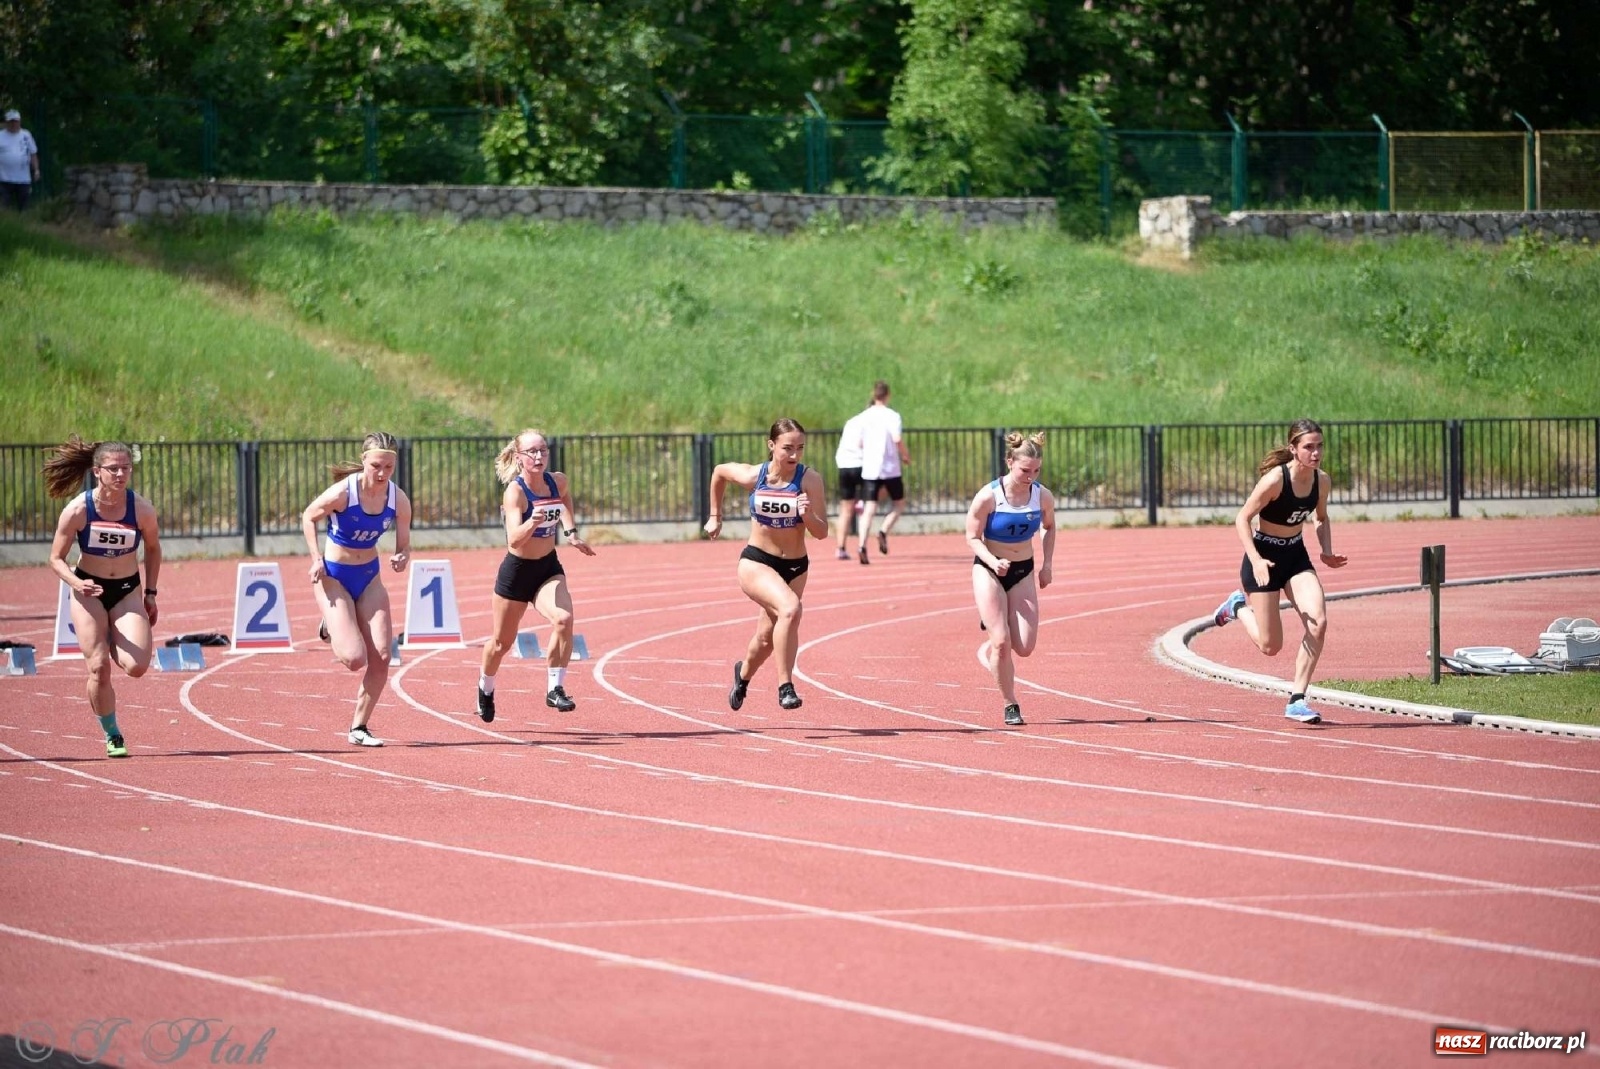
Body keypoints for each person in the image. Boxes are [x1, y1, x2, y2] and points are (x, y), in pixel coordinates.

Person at [1213, 418, 1348, 724]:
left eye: (1319, 446)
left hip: (1295, 557)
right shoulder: (1276, 480)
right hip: (1264, 557)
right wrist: (1257, 560)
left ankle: (1298, 698)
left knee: (1318, 621)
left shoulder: (1321, 481)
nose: (1316, 453)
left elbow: (1321, 518)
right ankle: (1237, 607)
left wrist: (1326, 550)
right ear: (1293, 449)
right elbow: (1242, 518)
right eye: (1308, 447)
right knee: (1270, 646)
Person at [43, 436, 162, 758]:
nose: (121, 475)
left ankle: (109, 634)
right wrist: (76, 583)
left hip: (126, 591)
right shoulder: (79, 509)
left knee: (136, 667)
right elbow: (55, 558)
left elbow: (152, 549)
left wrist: (150, 593)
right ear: (97, 472)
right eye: (113, 469)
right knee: (98, 667)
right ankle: (112, 734)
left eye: (126, 468)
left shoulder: (141, 509)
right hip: (88, 590)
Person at [704, 418, 829, 711]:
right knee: (790, 609)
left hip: (796, 566)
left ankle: (743, 674)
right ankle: (786, 686)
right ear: (771, 446)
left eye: (800, 448)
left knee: (766, 638)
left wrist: (807, 515)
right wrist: (715, 516)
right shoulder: (754, 476)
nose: (794, 455)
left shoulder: (810, 480)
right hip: (757, 561)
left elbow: (822, 532)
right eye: (787, 448)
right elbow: (719, 472)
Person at [301, 431, 413, 747]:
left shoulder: (398, 499)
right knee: (353, 659)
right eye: (376, 465)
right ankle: (330, 626)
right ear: (364, 461)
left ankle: (359, 727)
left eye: (388, 468)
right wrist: (315, 558)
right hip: (334, 576)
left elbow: (404, 544)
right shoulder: (343, 493)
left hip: (369, 577)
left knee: (381, 655)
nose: (382, 474)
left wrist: (402, 555)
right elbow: (309, 516)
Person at [476, 429, 595, 722]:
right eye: (532, 452)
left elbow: (565, 499)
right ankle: (485, 687)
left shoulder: (557, 481)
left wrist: (571, 532)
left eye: (543, 450)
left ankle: (555, 687)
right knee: (501, 643)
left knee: (564, 619)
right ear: (520, 458)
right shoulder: (515, 493)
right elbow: (514, 540)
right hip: (517, 573)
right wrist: (532, 522)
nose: (539, 456)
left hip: (547, 568)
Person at [966, 432, 1056, 727]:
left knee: (1025, 647)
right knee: (1001, 642)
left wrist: (1047, 565)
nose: (1030, 476)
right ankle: (1010, 703)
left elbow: (1049, 526)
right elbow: (972, 537)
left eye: (1036, 471)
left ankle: (994, 616)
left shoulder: (1041, 495)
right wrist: (993, 560)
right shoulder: (989, 496)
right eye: (1024, 470)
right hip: (990, 569)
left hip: (1023, 571)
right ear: (1009, 462)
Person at [855, 380, 909, 564]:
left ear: (873, 394)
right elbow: (897, 438)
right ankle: (883, 530)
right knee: (899, 504)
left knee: (869, 508)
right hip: (890, 468)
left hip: (870, 468)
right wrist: (905, 455)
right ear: (888, 395)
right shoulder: (892, 416)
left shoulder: (864, 416)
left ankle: (862, 544)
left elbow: (859, 443)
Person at [832, 408, 866, 561]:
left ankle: (840, 548)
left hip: (844, 465)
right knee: (884, 488)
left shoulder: (851, 422)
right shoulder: (870, 422)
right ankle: (863, 502)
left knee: (845, 509)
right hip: (861, 464)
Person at [0, 109, 40, 211]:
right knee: (4, 205)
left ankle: (23, 223)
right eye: (11, 121)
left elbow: (33, 153)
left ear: (19, 122)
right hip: (4, 178)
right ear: (6, 122)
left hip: (23, 178)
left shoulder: (26, 135)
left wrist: (36, 170)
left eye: (15, 121)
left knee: (24, 206)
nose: (13, 124)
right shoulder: (1, 136)